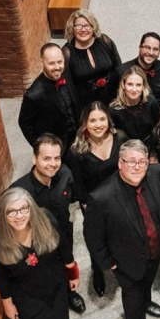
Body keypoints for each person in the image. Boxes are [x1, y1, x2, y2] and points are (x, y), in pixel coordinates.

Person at [0, 188, 93, 319]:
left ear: (31, 209)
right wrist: (8, 304)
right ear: (3, 215)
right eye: (12, 211)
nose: (19, 216)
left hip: (55, 282)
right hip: (26, 295)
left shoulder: (46, 219)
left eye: (24, 209)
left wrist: (73, 273)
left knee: (60, 311)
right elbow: (1, 277)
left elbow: (64, 248)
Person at [84, 139, 160, 319]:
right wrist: (108, 264)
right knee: (132, 300)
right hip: (125, 263)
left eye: (142, 162)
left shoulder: (157, 174)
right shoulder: (101, 197)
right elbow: (93, 237)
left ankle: (147, 301)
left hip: (154, 252)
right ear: (120, 163)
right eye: (131, 162)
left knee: (146, 285)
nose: (137, 167)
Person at [10, 133, 86, 314]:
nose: (53, 164)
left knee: (66, 265)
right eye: (46, 159)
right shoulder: (19, 192)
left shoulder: (65, 174)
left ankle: (70, 293)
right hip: (39, 244)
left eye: (57, 158)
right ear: (34, 158)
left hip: (64, 234)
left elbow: (75, 197)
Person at [67, 102, 129, 296]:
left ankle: (122, 266)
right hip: (94, 203)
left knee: (121, 234)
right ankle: (97, 270)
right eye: (92, 120)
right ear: (85, 123)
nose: (98, 124)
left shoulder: (120, 138)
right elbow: (77, 183)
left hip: (121, 197)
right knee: (96, 237)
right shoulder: (77, 150)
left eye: (102, 119)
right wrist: (87, 205)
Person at [18, 43, 79, 152]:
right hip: (59, 146)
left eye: (59, 62)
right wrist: (41, 148)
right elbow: (25, 124)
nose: (57, 67)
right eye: (51, 63)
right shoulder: (33, 94)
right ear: (42, 62)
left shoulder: (66, 73)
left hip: (78, 138)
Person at [62, 10, 121, 112]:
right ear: (72, 28)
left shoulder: (105, 41)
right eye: (78, 26)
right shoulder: (67, 52)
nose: (83, 29)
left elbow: (119, 67)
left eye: (87, 25)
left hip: (112, 97)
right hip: (86, 104)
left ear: (93, 27)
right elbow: (68, 86)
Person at [113, 32, 160, 106]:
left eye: (155, 49)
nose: (151, 53)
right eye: (147, 47)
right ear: (140, 48)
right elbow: (113, 101)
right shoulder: (122, 71)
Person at [109, 66, 160, 142]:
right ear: (123, 85)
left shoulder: (151, 102)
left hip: (150, 146)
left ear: (143, 86)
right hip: (125, 148)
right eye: (130, 84)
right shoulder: (113, 109)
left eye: (138, 85)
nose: (134, 89)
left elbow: (158, 127)